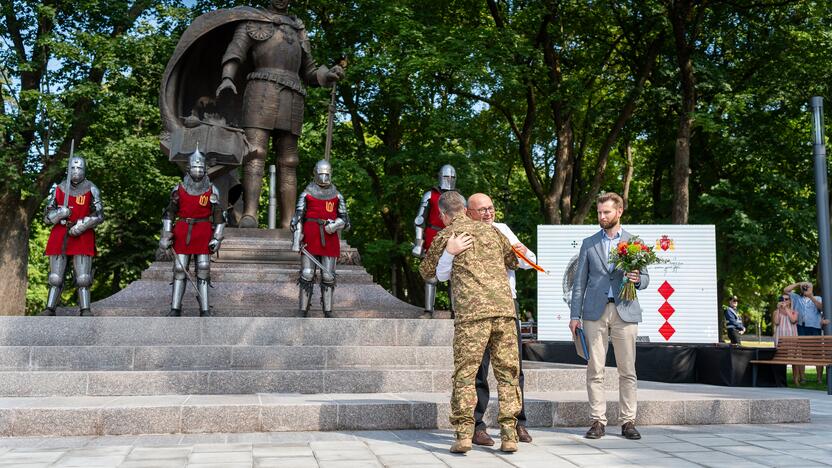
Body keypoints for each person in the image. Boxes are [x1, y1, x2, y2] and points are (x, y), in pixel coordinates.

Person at [216, 0, 344, 229]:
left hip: (292, 94)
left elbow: (310, 71)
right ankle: (250, 214)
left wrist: (328, 75)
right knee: (255, 153)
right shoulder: (252, 21)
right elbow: (235, 51)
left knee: (289, 160)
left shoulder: (298, 28)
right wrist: (227, 78)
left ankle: (288, 221)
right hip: (260, 90)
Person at [419, 191, 521, 454]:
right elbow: (513, 260)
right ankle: (510, 435)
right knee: (507, 374)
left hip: (472, 317)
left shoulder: (446, 235)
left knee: (465, 374)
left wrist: (450, 254)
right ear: (465, 210)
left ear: (443, 215)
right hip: (504, 312)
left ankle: (464, 435)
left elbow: (427, 272)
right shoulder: (494, 232)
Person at [569, 191, 649, 441]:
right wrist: (575, 316)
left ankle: (628, 421)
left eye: (606, 212)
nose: (602, 216)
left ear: (619, 212)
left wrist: (637, 279)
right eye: (599, 212)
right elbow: (579, 283)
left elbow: (645, 279)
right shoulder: (589, 243)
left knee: (627, 370)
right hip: (594, 312)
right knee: (595, 369)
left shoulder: (634, 241)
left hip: (625, 310)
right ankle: (597, 421)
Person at [159, 149, 226, 317]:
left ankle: (204, 308)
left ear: (205, 168)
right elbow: (169, 213)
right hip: (182, 231)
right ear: (188, 168)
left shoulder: (212, 190)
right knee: (179, 269)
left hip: (202, 232)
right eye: (195, 166)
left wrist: (217, 237)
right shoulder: (179, 189)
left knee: (203, 268)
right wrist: (166, 235)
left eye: (201, 166)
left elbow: (220, 216)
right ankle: (175, 308)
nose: (198, 169)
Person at [42, 156, 104, 316]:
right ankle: (50, 308)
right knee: (55, 277)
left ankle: (85, 309)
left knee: (83, 277)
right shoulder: (59, 188)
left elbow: (99, 214)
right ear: (67, 170)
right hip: (60, 233)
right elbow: (46, 216)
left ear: (84, 170)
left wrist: (84, 224)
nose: (76, 171)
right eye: (72, 168)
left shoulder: (92, 188)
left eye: (79, 168)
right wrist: (58, 213)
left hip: (82, 234)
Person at [291, 160, 350, 317]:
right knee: (307, 273)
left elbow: (346, 220)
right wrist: (296, 241)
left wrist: (335, 225)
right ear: (315, 174)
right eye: (321, 174)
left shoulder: (337, 196)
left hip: (329, 238)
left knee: (328, 275)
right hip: (311, 236)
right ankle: (303, 309)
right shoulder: (307, 194)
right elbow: (297, 218)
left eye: (327, 174)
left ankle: (328, 309)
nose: (324, 177)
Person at [411, 164, 457, 317]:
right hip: (433, 237)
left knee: (454, 276)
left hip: (454, 238)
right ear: (440, 177)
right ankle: (428, 310)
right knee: (431, 276)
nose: (449, 180)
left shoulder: (459, 198)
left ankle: (455, 311)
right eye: (446, 176)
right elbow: (419, 220)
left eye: (452, 177)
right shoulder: (430, 195)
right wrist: (419, 243)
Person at [784, 281, 825, 383]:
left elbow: (821, 308)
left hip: (814, 327)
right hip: (801, 327)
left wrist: (811, 296)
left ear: (812, 288)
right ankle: (803, 378)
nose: (805, 288)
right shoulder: (796, 298)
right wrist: (799, 284)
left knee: (817, 353)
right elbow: (786, 290)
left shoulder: (818, 298)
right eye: (804, 287)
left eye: (808, 286)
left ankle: (819, 378)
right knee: (802, 353)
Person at [772, 294, 800, 385]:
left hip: (791, 337)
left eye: (786, 299)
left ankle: (795, 379)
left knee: (794, 360)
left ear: (790, 301)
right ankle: (781, 380)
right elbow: (776, 322)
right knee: (780, 359)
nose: (784, 300)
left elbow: (793, 320)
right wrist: (778, 310)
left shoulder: (794, 312)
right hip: (780, 337)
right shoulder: (776, 312)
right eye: (782, 299)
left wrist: (786, 308)